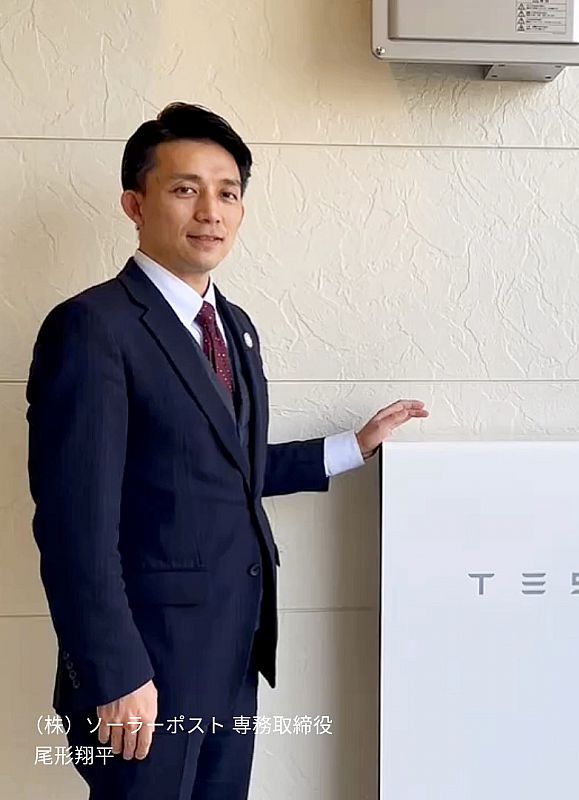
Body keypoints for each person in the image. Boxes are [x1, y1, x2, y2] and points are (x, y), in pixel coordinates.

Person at [26, 102, 428, 799]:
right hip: (144, 670)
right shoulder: (93, 327)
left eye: (228, 192)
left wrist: (350, 448)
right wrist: (115, 673)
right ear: (135, 204)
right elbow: (73, 526)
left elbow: (221, 468)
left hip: (232, 651)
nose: (210, 211)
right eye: (185, 189)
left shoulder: (233, 325)